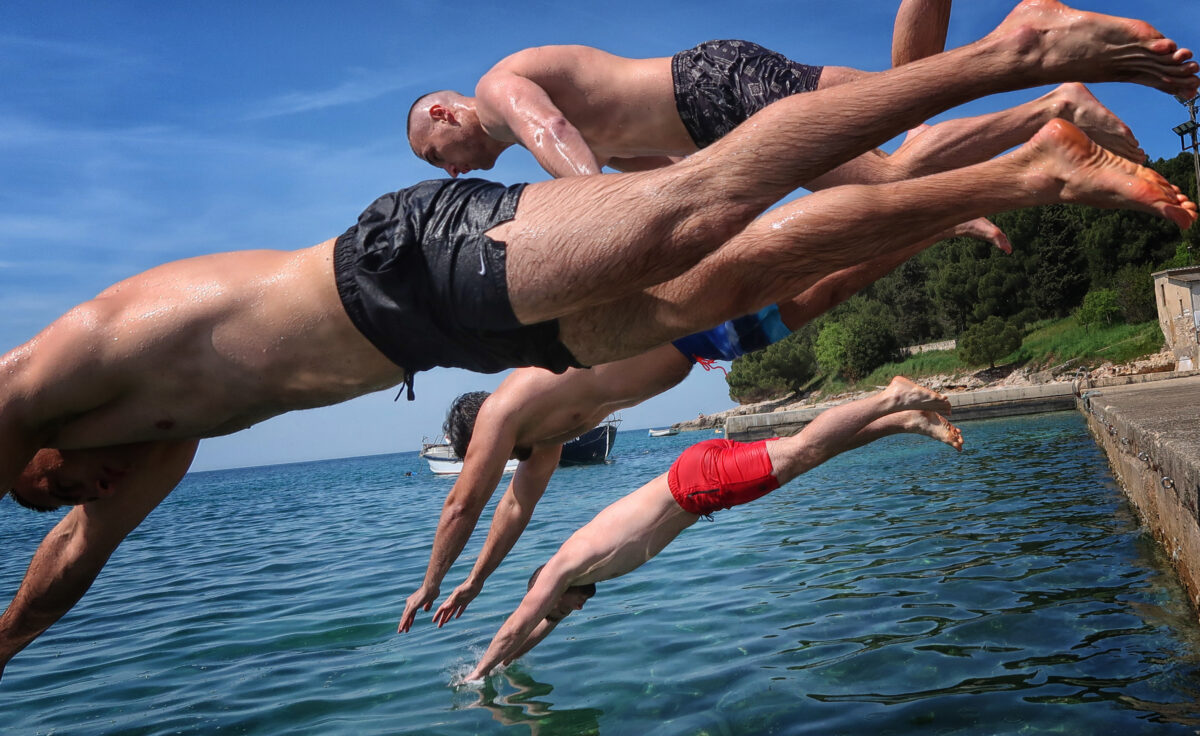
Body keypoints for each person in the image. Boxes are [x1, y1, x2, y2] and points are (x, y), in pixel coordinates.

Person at [1, 0, 1198, 679]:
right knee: (720, 276)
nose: (87, 497)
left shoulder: (75, 360)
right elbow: (74, 559)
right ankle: (1039, 166)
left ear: (34, 452)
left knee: (686, 219)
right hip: (449, 330)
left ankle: (1019, 59)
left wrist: (600, 211)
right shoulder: (146, 447)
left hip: (398, 267)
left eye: (48, 484)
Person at [399, 219, 1010, 633]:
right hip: (701, 343)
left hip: (685, 313)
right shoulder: (546, 444)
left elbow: (465, 503)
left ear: (478, 429)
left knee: (808, 261)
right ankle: (936, 232)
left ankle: (937, 216)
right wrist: (473, 584)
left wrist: (430, 584)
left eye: (478, 448)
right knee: (829, 290)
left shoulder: (508, 407)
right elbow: (512, 512)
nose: (489, 457)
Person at [463, 377, 964, 681]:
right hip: (698, 481)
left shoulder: (562, 567)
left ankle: (891, 398)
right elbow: (535, 630)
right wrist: (504, 666)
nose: (565, 613)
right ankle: (905, 422)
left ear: (546, 592)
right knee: (807, 455)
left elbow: (517, 625)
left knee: (801, 450)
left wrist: (477, 674)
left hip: (698, 485)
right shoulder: (578, 575)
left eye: (553, 610)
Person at [408, 5, 1146, 184]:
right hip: (716, 99)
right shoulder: (575, 130)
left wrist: (593, 214)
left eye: (431, 152)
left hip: (710, 94)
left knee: (888, 170)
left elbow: (555, 140)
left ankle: (1048, 103)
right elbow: (667, 184)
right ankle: (1036, 69)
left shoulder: (495, 89)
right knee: (910, 104)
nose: (445, 170)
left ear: (443, 114)